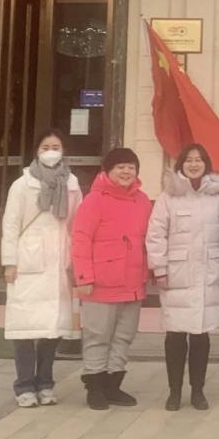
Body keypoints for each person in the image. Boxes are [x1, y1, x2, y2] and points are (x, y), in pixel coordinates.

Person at [145, 143, 219, 412]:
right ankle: (174, 392)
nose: (194, 164)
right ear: (181, 165)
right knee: (174, 336)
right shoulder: (168, 197)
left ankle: (198, 391)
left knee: (200, 337)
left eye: (199, 160)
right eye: (189, 160)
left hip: (208, 274)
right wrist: (159, 268)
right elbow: (156, 234)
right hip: (177, 275)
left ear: (206, 164)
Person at [1, 129, 83, 408]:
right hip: (28, 263)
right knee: (24, 329)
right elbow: (11, 224)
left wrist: (77, 261)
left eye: (55, 146)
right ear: (36, 151)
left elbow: (78, 225)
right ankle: (24, 385)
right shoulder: (22, 184)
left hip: (60, 264)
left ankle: (45, 383)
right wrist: (10, 262)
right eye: (45, 147)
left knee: (53, 328)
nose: (51, 151)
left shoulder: (72, 184)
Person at [71, 147, 153, 410]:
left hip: (133, 283)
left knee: (123, 336)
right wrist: (83, 277)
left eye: (131, 167)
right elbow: (80, 239)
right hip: (100, 284)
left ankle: (113, 385)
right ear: (107, 171)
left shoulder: (143, 201)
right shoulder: (94, 200)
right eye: (120, 167)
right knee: (98, 336)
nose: (126, 172)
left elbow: (150, 240)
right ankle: (94, 387)